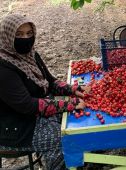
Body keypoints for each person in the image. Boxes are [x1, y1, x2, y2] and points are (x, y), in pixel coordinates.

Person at [0, 14, 88, 170]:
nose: (25, 38)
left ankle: (79, 161)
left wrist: (74, 89)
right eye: (19, 34)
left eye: (29, 33)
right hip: (16, 127)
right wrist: (69, 103)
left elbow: (50, 81)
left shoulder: (30, 54)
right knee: (62, 139)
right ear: (7, 35)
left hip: (36, 112)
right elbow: (27, 105)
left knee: (77, 124)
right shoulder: (3, 67)